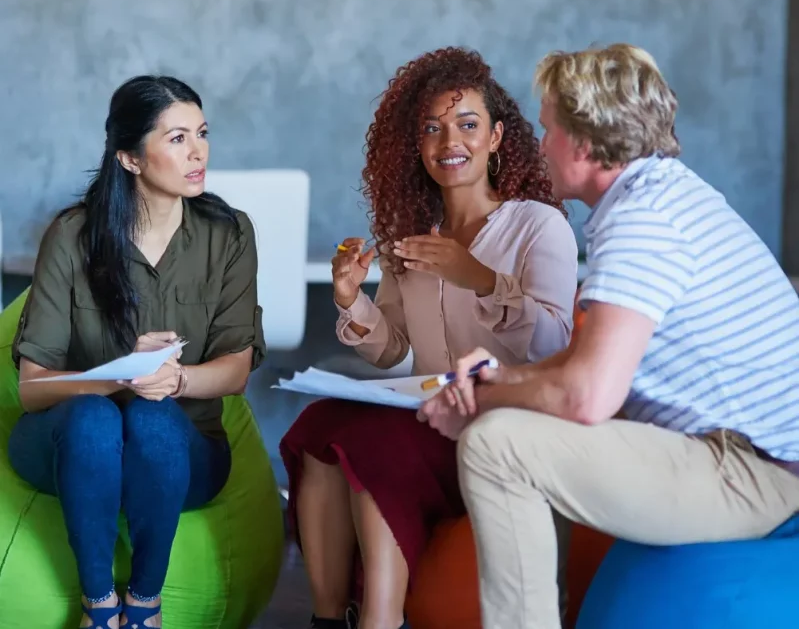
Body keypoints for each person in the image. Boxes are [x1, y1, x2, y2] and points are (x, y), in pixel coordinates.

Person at [419, 43, 799, 628]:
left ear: (588, 141)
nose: (540, 144)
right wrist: (495, 379)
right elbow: (586, 358)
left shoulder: (643, 223)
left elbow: (588, 397)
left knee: (497, 445)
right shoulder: (661, 196)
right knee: (515, 425)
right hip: (743, 454)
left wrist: (477, 400)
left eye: (549, 130)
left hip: (751, 473)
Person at [280, 46, 578, 629]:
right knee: (316, 426)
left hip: (502, 425)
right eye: (432, 130)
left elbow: (553, 346)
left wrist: (481, 279)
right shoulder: (410, 238)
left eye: (467, 125)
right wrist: (350, 298)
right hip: (433, 416)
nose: (449, 143)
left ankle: (381, 619)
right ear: (415, 146)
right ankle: (325, 617)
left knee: (372, 446)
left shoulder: (538, 225)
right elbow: (393, 348)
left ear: (496, 137)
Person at [8, 75, 266, 629]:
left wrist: (171, 381)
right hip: (70, 444)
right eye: (176, 139)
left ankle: (145, 604)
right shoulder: (73, 236)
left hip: (183, 450)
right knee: (95, 418)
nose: (198, 152)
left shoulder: (230, 234)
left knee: (153, 419)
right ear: (129, 158)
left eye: (201, 133)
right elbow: (33, 389)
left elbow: (237, 370)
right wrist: (123, 376)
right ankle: (98, 607)